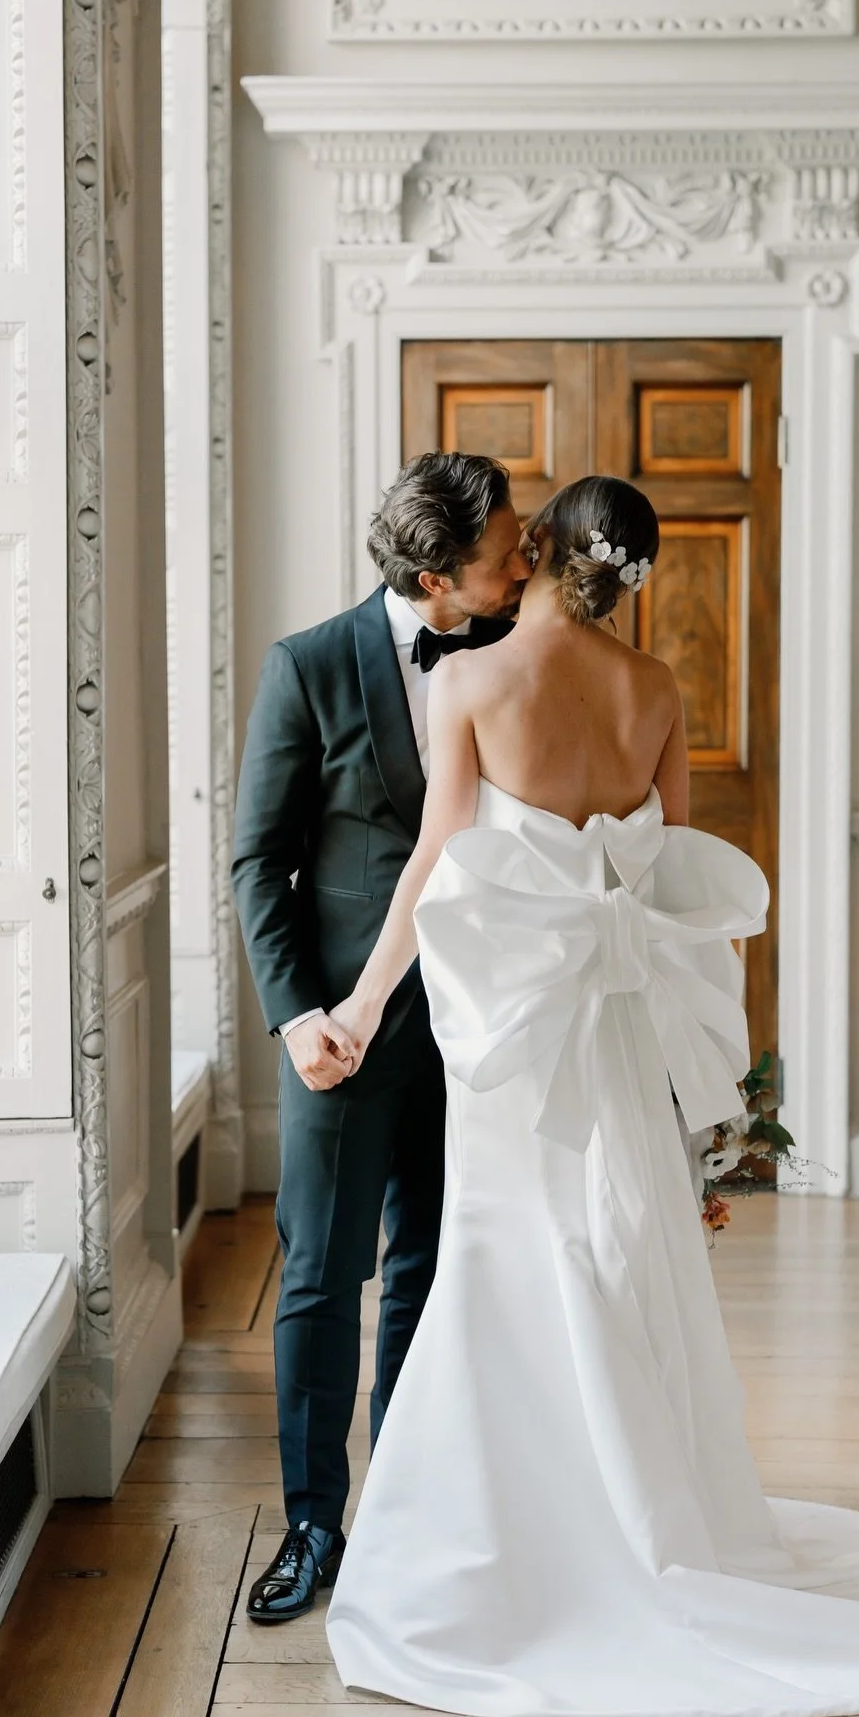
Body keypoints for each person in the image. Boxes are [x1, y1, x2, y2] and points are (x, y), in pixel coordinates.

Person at [321, 474, 859, 1717]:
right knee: (626, 1252)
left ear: (547, 548)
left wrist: (356, 1005)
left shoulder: (465, 683)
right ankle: (648, 1505)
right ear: (627, 573)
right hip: (618, 1025)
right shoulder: (658, 689)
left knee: (514, 1257)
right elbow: (672, 889)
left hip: (520, 1043)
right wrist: (706, 1073)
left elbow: (436, 862)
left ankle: (528, 1542)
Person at [230, 451, 531, 1624]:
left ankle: (407, 1506)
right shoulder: (306, 665)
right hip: (342, 1033)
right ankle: (314, 1522)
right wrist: (299, 1015)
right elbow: (261, 857)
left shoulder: (515, 656)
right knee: (319, 1272)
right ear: (433, 574)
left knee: (432, 1264)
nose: (523, 559)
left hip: (480, 1018)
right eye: (502, 550)